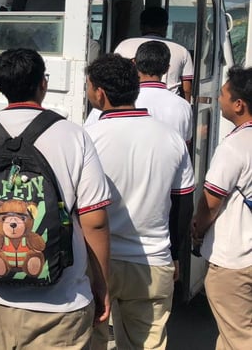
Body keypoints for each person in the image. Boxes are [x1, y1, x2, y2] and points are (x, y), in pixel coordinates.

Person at [0, 48, 112, 349]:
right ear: (43, 84)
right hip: (60, 305)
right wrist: (101, 285)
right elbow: (95, 222)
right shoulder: (74, 136)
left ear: (0, 86)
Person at [85, 54, 195, 350]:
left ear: (100, 93)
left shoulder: (87, 138)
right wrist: (174, 255)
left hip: (96, 261)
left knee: (91, 341)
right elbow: (183, 206)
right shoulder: (171, 139)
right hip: (152, 262)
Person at [191, 65, 252, 350]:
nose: (218, 97)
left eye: (224, 93)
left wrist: (197, 230)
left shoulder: (235, 146)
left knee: (239, 336)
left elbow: (210, 202)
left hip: (233, 259)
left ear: (239, 104)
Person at [85, 41, 193, 143]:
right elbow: (185, 146)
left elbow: (87, 139)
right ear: (167, 69)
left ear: (134, 63)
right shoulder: (184, 106)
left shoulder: (114, 101)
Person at [114, 7, 194, 101]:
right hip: (169, 103)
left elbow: (115, 79)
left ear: (141, 26)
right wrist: (186, 106)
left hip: (132, 101)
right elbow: (187, 89)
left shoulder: (124, 45)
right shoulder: (181, 49)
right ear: (165, 26)